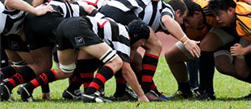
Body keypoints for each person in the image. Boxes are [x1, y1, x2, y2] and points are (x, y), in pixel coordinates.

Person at [18, 16, 151, 103]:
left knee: (66, 70)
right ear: (137, 36)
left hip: (64, 26)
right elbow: (126, 70)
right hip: (79, 26)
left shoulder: (114, 26)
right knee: (117, 61)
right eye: (143, 41)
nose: (142, 45)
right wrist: (141, 95)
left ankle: (28, 88)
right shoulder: (123, 35)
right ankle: (91, 92)